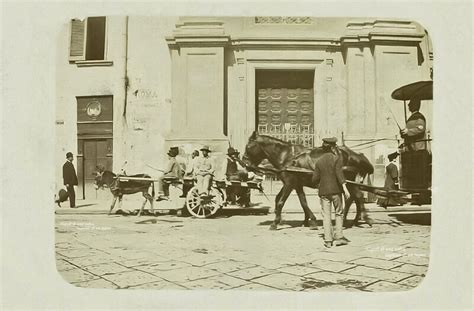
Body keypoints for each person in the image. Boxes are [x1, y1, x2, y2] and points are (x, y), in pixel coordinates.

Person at [312, 137, 351, 248]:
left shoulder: (319, 162)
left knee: (326, 216)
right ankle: (338, 237)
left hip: (324, 192)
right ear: (333, 147)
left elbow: (314, 179)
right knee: (339, 213)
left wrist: (319, 185)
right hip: (336, 191)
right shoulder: (337, 158)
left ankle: (328, 240)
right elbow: (339, 174)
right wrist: (345, 188)